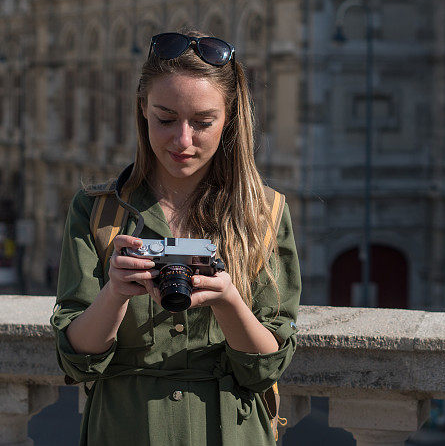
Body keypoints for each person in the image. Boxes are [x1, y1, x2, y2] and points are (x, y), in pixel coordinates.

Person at [50, 30, 301, 446]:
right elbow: (78, 361)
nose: (182, 140)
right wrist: (114, 292)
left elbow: (266, 368)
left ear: (230, 119)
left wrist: (227, 299)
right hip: (125, 430)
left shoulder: (263, 215)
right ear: (142, 110)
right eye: (165, 119)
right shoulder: (96, 211)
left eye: (203, 122)